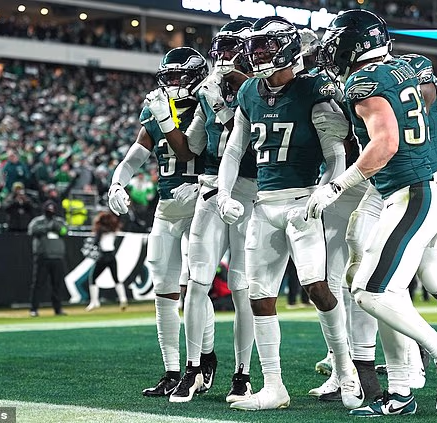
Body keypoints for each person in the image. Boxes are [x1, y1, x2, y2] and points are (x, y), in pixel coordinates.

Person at [310, 9, 437, 415]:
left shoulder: (363, 82)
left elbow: (386, 143)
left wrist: (337, 186)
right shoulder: (406, 68)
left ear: (352, 45)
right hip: (420, 186)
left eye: (335, 44)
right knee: (387, 289)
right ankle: (400, 392)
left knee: (370, 291)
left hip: (411, 192)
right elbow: (419, 108)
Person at [216, 16, 364, 411]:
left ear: (286, 48)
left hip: (303, 201)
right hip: (264, 204)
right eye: (255, 46)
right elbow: (234, 149)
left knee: (317, 287)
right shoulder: (248, 91)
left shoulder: (313, 89)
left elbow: (335, 153)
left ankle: (346, 370)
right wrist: (224, 194)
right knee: (259, 296)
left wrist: (328, 189)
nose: (257, 54)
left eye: (265, 46)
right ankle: (274, 386)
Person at [145, 20, 256, 404]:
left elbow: (253, 139)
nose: (222, 56)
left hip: (250, 191)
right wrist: (166, 120)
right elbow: (190, 148)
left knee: (241, 285)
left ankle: (242, 374)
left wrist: (222, 105)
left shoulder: (262, 90)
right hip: (210, 188)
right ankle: (193, 369)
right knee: (197, 280)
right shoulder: (209, 90)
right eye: (219, 49)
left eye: (230, 49)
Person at [108, 47, 216, 398]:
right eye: (167, 77)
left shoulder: (208, 104)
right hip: (168, 205)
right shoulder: (156, 108)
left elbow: (206, 153)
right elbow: (134, 156)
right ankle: (171, 370)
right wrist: (117, 182)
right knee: (163, 288)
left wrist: (204, 184)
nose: (171, 83)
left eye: (178, 77)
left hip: (202, 202)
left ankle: (204, 359)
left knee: (197, 285)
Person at [27, 200, 68, 317]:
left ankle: (58, 309)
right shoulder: (37, 221)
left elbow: (65, 231)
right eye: (49, 209)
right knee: (38, 284)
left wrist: (57, 227)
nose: (51, 211)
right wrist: (47, 227)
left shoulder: (59, 221)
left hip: (57, 257)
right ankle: (34, 309)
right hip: (43, 257)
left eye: (52, 209)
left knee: (57, 285)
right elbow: (32, 231)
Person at [85, 210, 128, 311]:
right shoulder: (113, 229)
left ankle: (94, 302)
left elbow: (96, 242)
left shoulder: (100, 230)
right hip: (112, 256)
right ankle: (123, 298)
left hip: (103, 256)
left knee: (93, 278)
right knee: (116, 278)